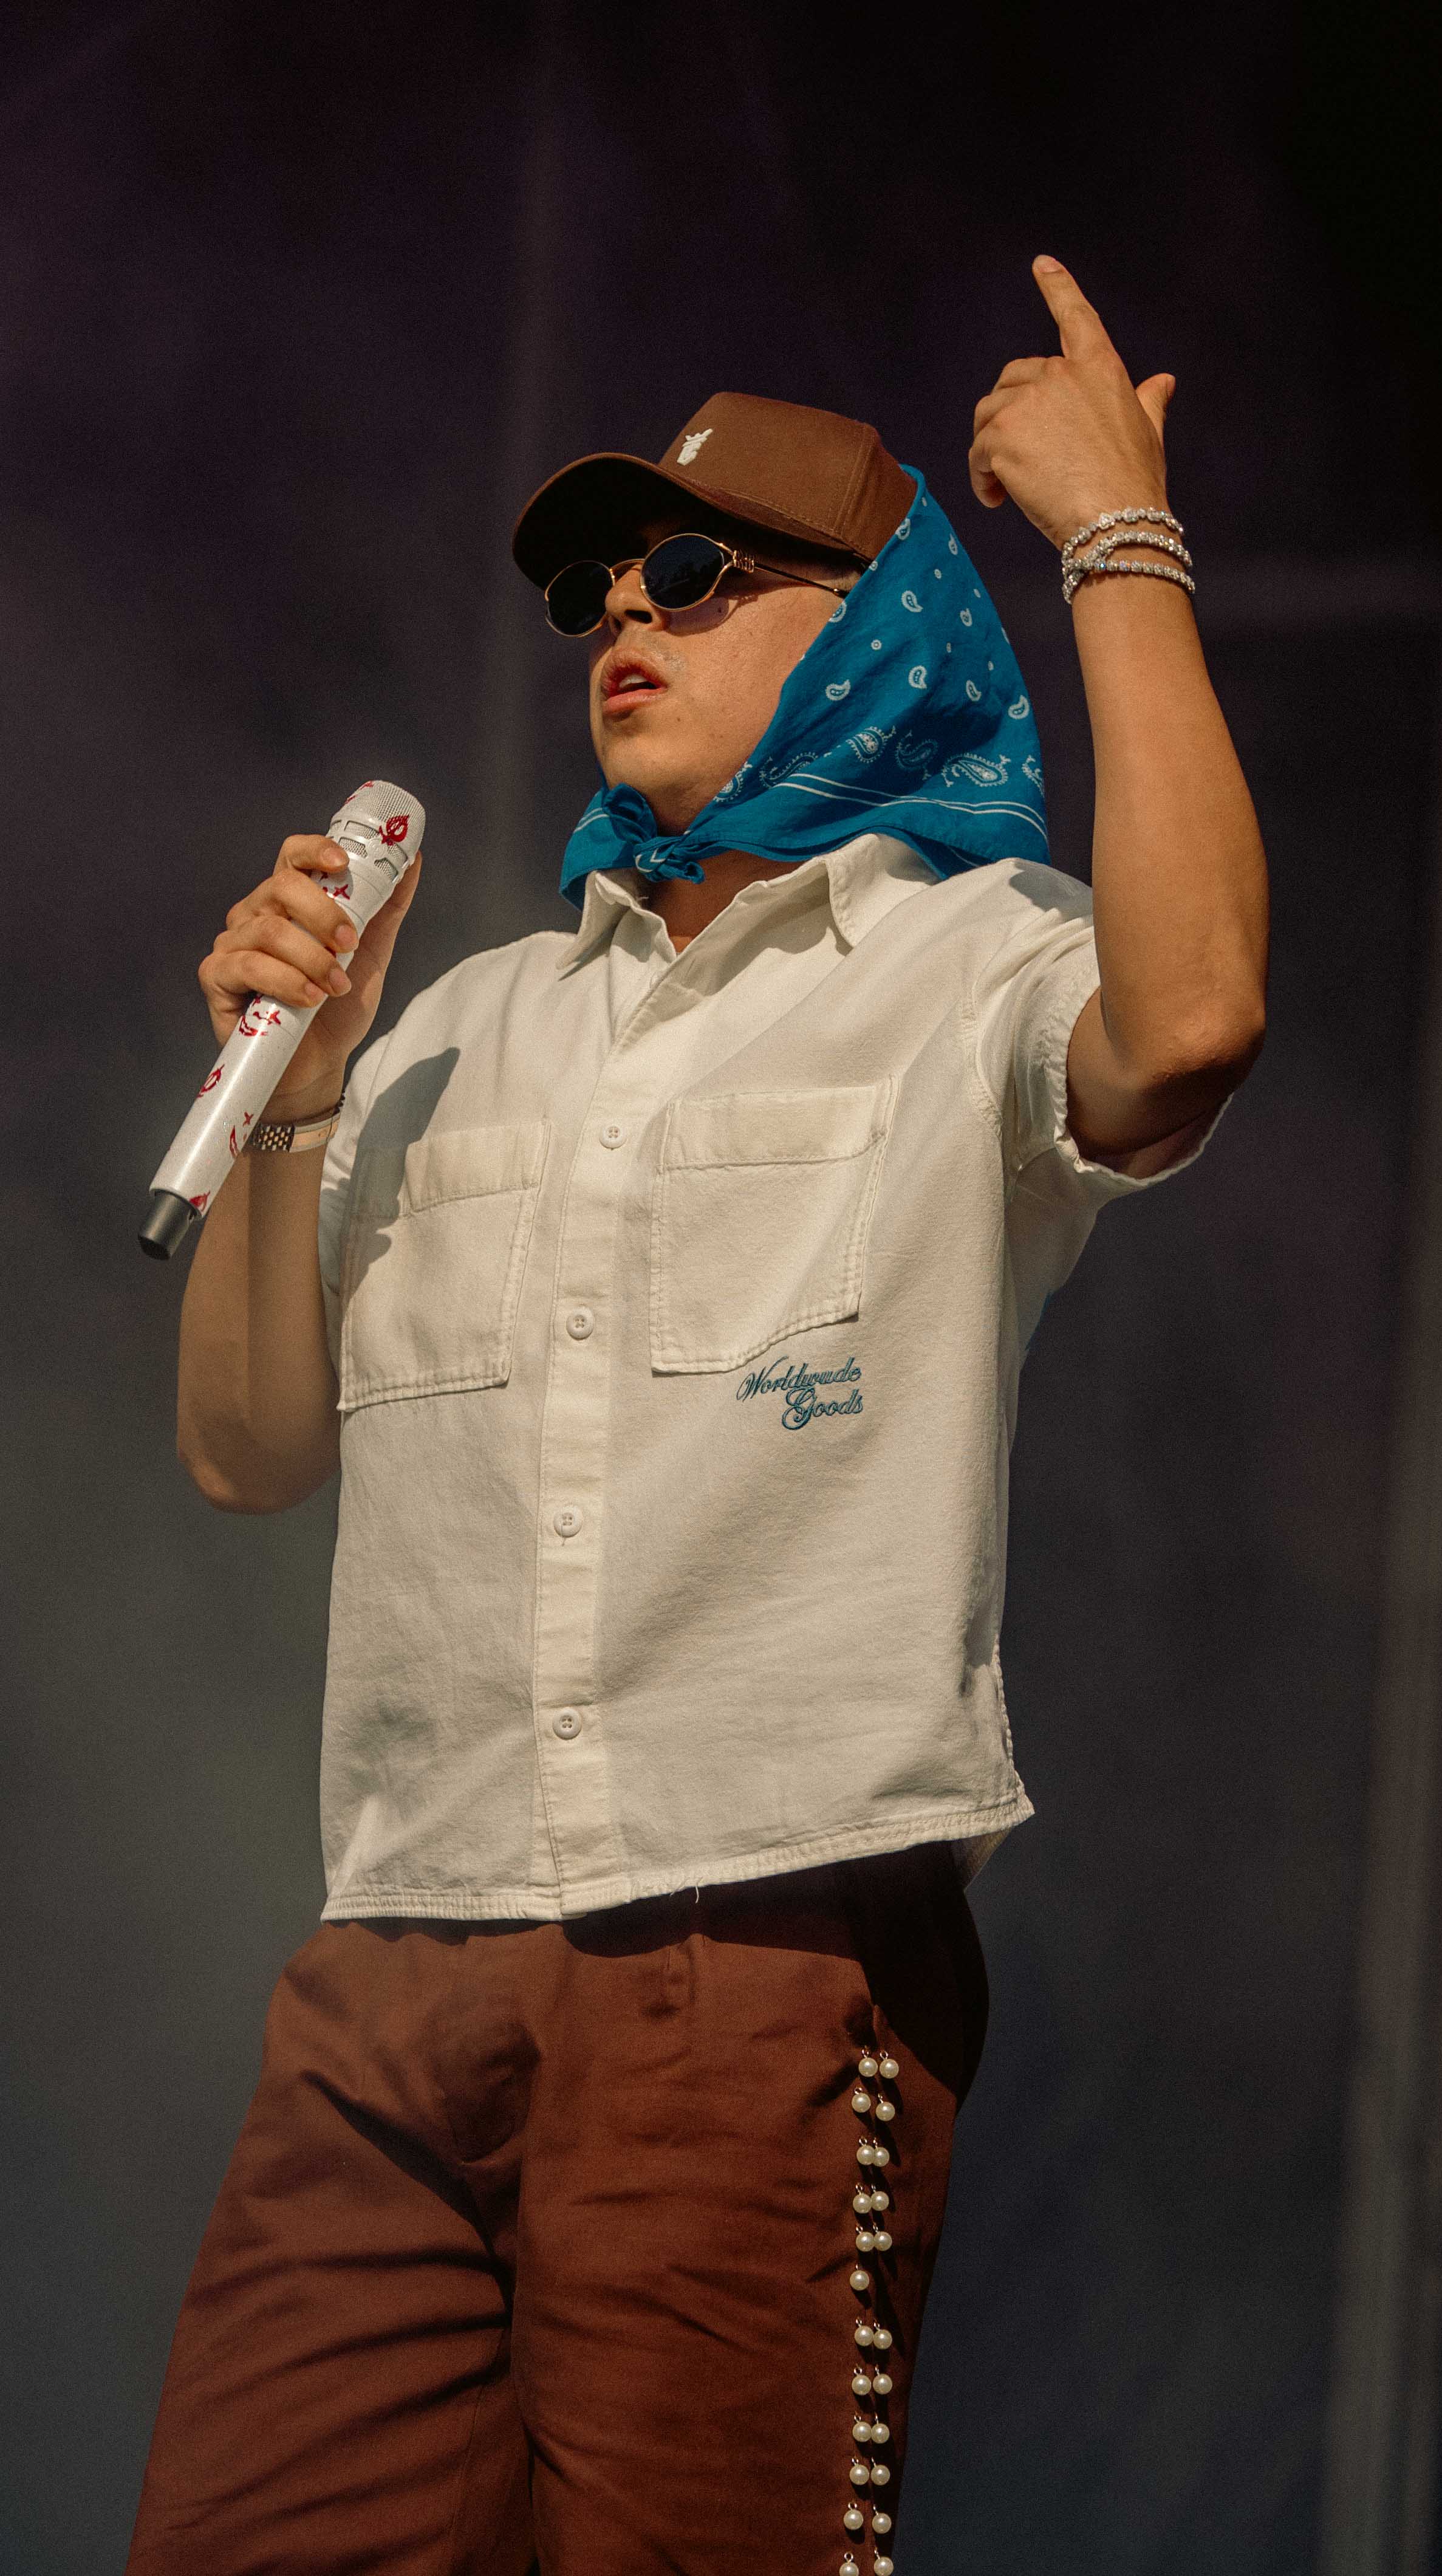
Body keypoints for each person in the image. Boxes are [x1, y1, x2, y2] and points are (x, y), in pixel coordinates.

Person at [126, 259, 1268, 2576]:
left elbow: (1196, 1016)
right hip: (395, 1959)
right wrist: (299, 1095)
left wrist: (1117, 540)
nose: (619, 620)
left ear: (874, 630)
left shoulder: (965, 967)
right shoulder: (463, 1021)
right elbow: (249, 1450)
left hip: (748, 1964)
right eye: (593, 591)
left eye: (688, 570)